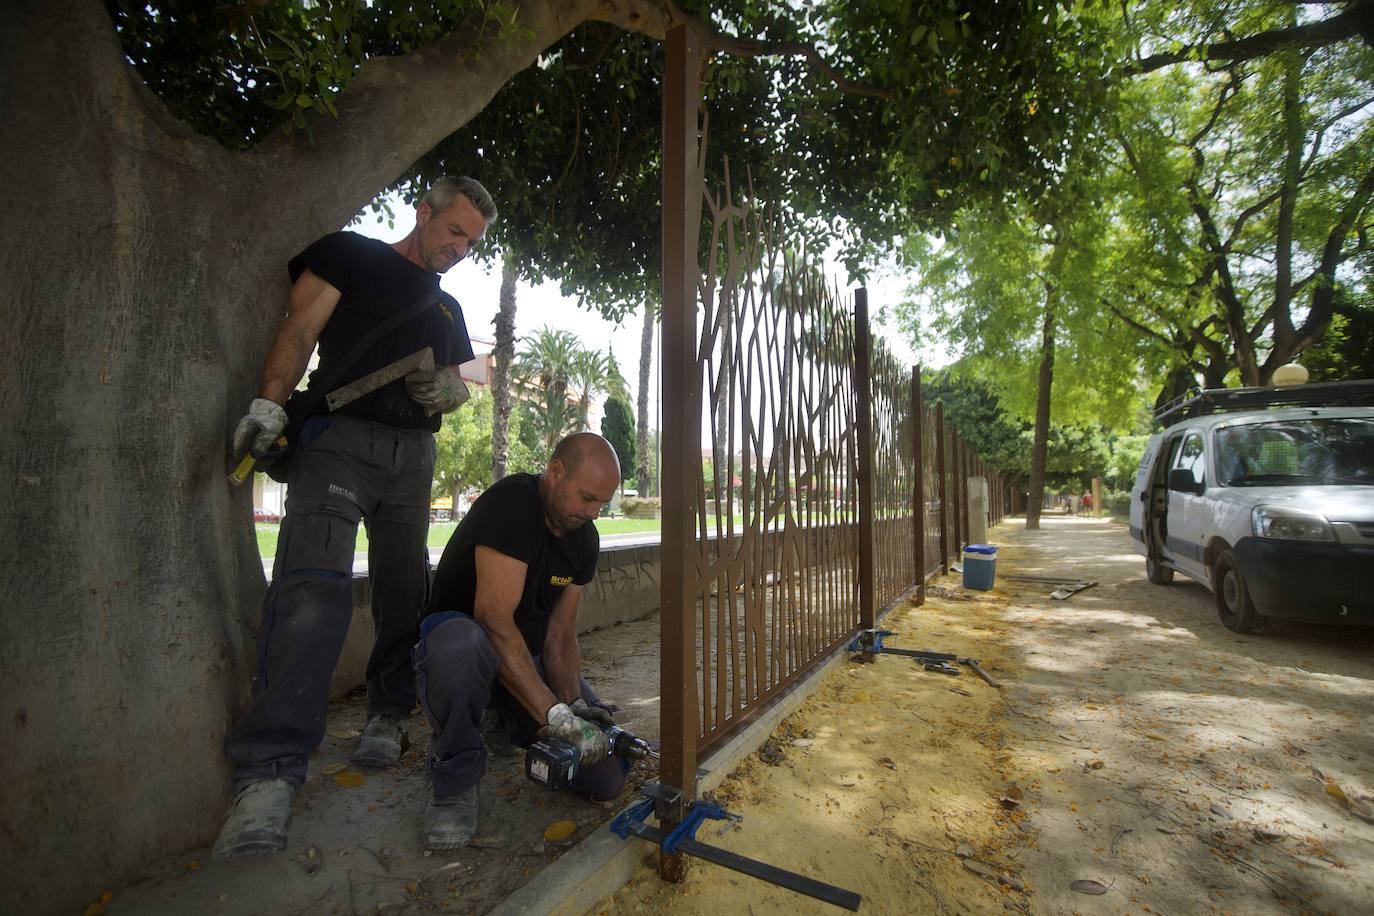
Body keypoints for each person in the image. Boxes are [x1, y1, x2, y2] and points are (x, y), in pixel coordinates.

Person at [214, 177, 497, 859]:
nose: (461, 249)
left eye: (473, 242)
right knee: (312, 592)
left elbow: (460, 383)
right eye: (454, 231)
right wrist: (270, 404)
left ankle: (388, 714)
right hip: (339, 445)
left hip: (413, 459)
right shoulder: (352, 255)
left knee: (406, 592)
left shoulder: (448, 305)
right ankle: (269, 774)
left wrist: (451, 391)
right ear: (423, 212)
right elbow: (301, 329)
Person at [415, 433, 623, 850]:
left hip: (520, 657)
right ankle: (455, 774)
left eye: (602, 502)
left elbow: (561, 635)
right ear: (555, 471)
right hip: (467, 646)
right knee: (459, 645)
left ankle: (503, 720)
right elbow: (492, 620)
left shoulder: (585, 537)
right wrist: (556, 717)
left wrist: (575, 708)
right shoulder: (511, 505)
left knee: (605, 777)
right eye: (586, 498)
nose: (593, 512)